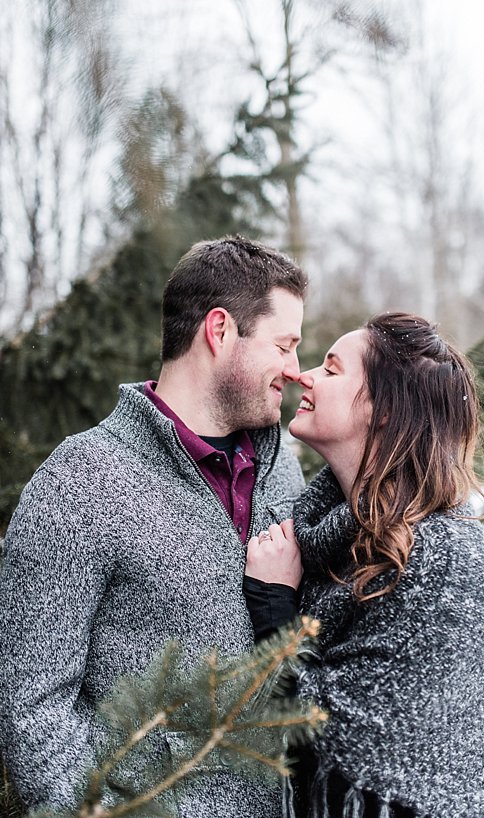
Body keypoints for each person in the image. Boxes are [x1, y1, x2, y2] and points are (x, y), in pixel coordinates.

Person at [0, 236, 308, 817]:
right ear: (219, 332)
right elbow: (32, 709)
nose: (295, 370)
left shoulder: (281, 470)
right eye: (285, 345)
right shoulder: (80, 484)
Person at [245, 312, 484, 818]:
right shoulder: (332, 537)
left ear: (384, 410)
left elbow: (328, 725)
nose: (304, 376)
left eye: (331, 370)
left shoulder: (446, 553)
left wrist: (272, 604)